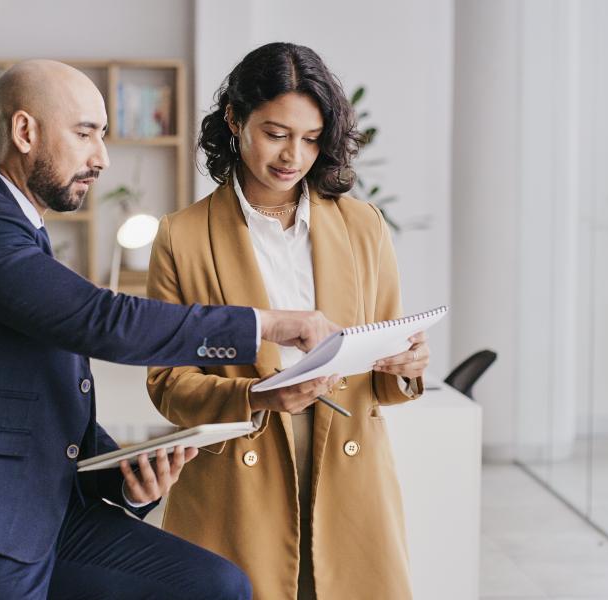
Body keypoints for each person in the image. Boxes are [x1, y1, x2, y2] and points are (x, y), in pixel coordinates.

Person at [0, 59, 340, 600]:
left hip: (38, 510)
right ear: (25, 131)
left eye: (101, 136)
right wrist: (266, 323)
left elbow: (33, 396)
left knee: (215, 586)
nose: (101, 158)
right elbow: (100, 320)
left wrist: (122, 474)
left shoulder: (19, 228)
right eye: (85, 134)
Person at [145, 43, 431, 599]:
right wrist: (257, 395)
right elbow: (167, 385)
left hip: (348, 472)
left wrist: (407, 365)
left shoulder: (363, 226)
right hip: (238, 480)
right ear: (234, 119)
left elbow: (389, 367)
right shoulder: (181, 236)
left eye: (310, 138)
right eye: (275, 133)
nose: (292, 156)